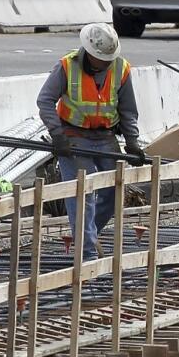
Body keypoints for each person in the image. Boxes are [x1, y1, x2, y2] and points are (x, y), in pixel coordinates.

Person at [37, 23, 142, 260]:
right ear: (90, 53)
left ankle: (88, 235)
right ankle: (86, 254)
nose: (106, 64)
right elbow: (45, 101)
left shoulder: (121, 68)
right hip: (73, 137)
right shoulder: (67, 66)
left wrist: (132, 142)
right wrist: (58, 136)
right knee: (81, 195)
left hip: (105, 137)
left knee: (113, 193)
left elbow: (128, 110)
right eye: (102, 60)